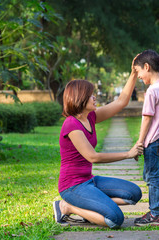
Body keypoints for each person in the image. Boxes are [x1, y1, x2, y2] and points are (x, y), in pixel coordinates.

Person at [53, 56, 143, 229]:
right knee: (115, 219)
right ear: (80, 98)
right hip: (72, 186)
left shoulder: (91, 117)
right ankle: (67, 206)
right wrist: (127, 154)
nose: (94, 98)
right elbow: (93, 157)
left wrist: (133, 73)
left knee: (134, 193)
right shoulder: (71, 124)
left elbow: (121, 101)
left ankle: (92, 202)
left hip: (89, 180)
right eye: (90, 95)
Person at [133, 50, 159, 226]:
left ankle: (155, 215)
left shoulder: (151, 91)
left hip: (153, 140)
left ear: (147, 67)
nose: (138, 76)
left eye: (138, 71)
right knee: (149, 175)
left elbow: (147, 118)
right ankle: (154, 211)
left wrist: (140, 142)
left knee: (152, 177)